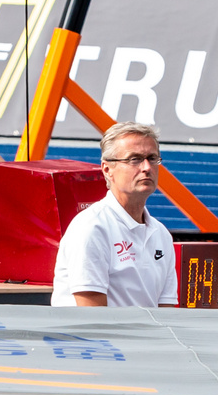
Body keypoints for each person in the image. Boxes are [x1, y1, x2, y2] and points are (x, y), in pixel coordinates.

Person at [51, 120, 178, 307]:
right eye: (134, 159)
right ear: (107, 170)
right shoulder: (91, 228)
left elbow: (166, 313)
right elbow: (92, 317)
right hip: (95, 335)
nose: (146, 168)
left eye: (152, 158)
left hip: (145, 335)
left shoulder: (161, 234)